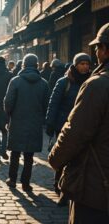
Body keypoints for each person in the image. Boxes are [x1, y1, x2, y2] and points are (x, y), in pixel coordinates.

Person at [48, 23, 109, 224]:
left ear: (105, 50)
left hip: (96, 182)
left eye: (98, 47)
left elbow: (75, 132)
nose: (96, 53)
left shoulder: (98, 85)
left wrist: (55, 159)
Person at [46, 53, 91, 206]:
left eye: (87, 64)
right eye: (81, 63)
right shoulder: (64, 82)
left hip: (84, 127)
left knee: (77, 159)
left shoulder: (92, 81)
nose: (85, 67)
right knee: (64, 157)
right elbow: (54, 104)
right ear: (75, 64)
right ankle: (60, 187)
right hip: (63, 126)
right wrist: (50, 124)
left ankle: (71, 188)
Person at [4, 54, 49, 192]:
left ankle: (12, 179)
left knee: (15, 152)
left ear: (23, 65)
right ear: (36, 65)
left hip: (17, 120)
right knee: (29, 155)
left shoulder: (15, 81)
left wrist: (9, 115)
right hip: (34, 122)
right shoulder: (44, 83)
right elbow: (46, 104)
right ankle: (25, 183)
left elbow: (8, 102)